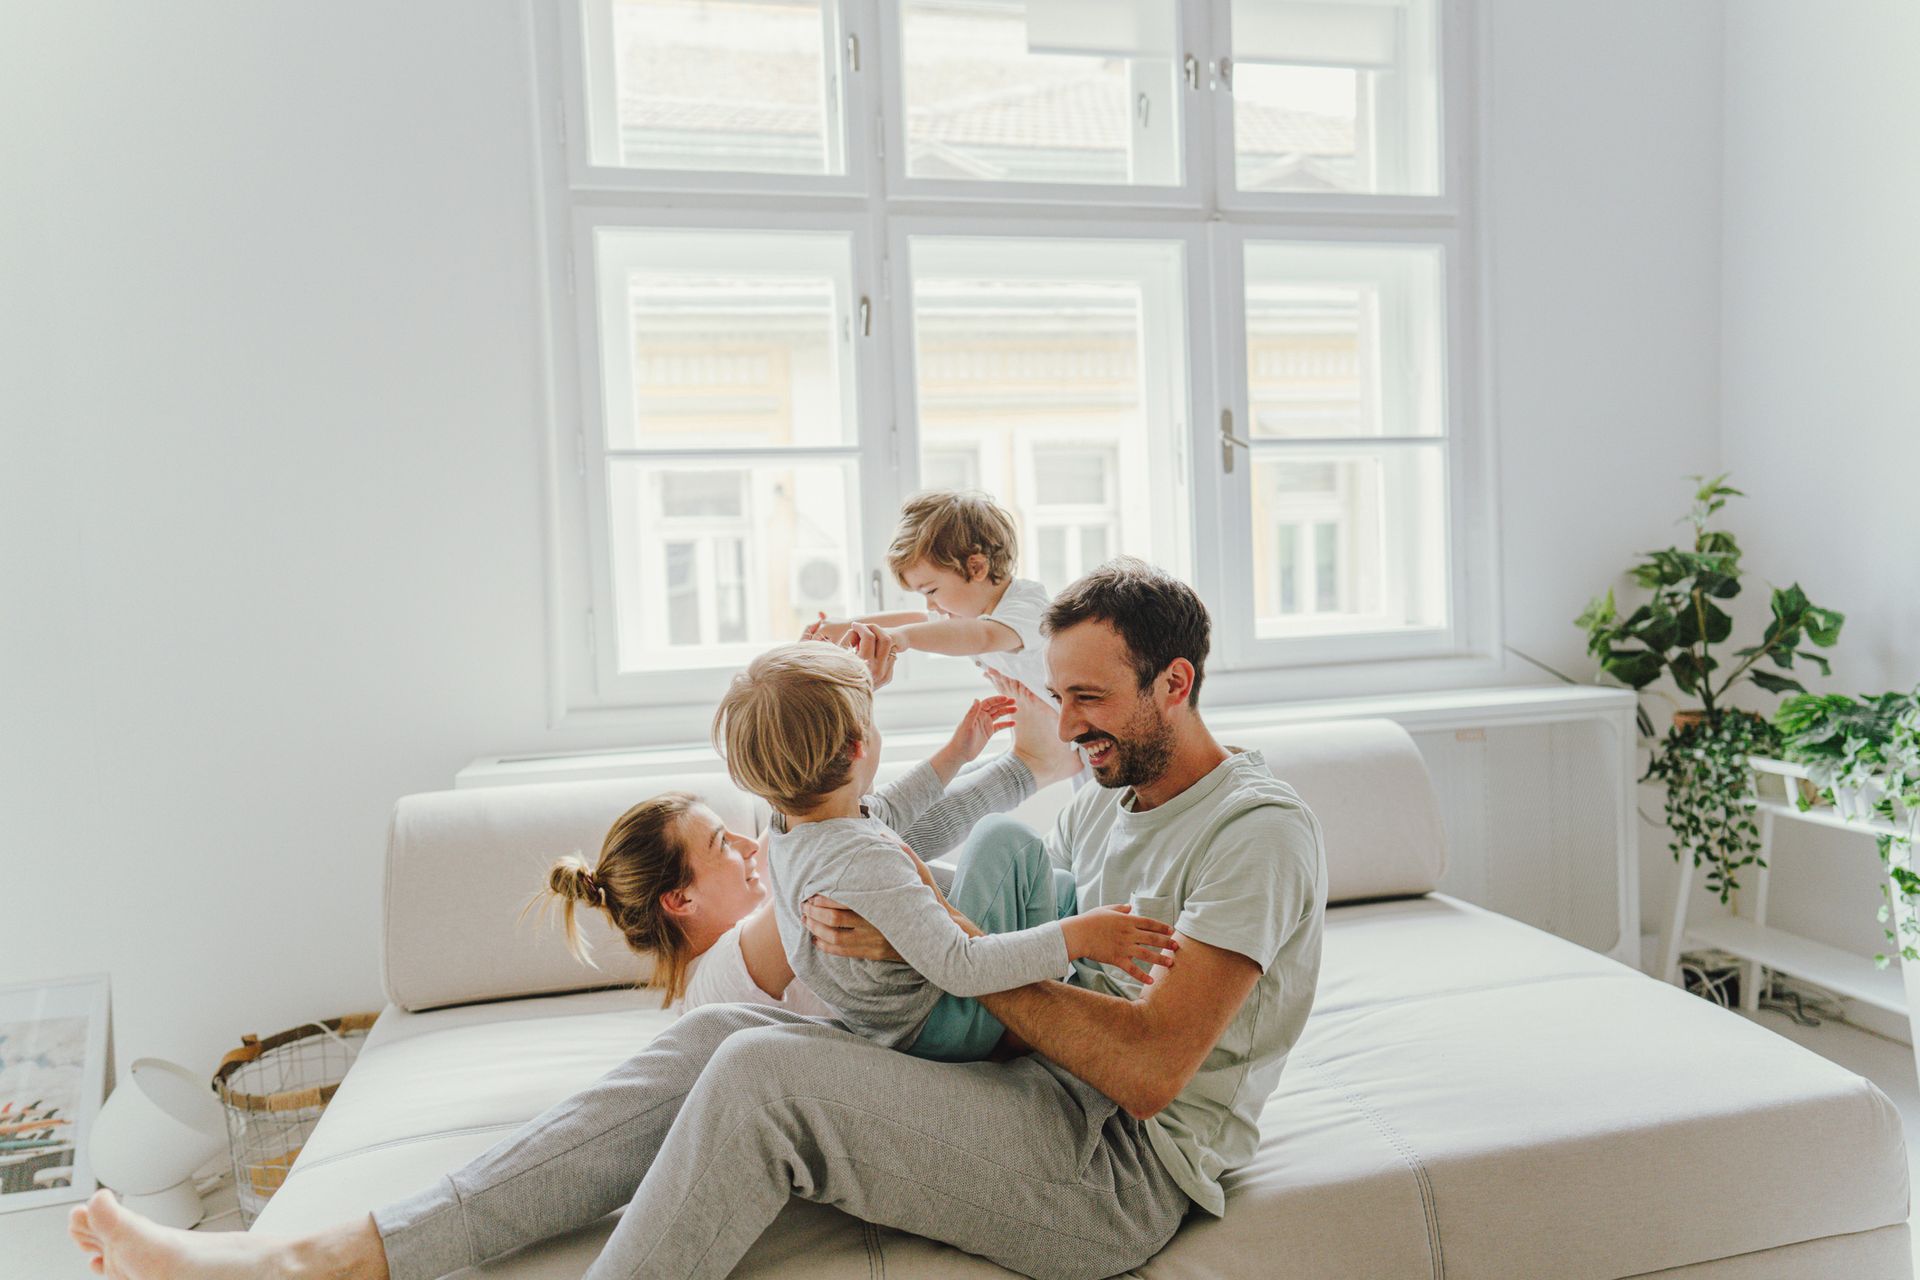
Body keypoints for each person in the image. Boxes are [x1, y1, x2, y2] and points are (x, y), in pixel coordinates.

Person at [68, 559, 1328, 1280]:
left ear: (1178, 683)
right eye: (1060, 695)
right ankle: (324, 1256)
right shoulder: (1110, 780)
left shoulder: (1254, 832)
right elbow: (981, 744)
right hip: (1024, 1079)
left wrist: (929, 939)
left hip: (1112, 1169)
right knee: (705, 1047)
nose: (1071, 722)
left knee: (765, 1073)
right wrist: (892, 653)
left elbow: (1155, 1070)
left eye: (1091, 699)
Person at [712, 642, 1178, 1063]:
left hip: (893, 1024)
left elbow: (886, 808)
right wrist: (1081, 936)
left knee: (1054, 885)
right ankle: (1055, 989)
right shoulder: (863, 861)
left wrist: (957, 753)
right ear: (858, 747)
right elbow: (961, 966)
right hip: (942, 1024)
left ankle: (1071, 934)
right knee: (1003, 841)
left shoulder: (795, 831)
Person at [541, 681, 1086, 1019]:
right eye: (720, 845)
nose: (749, 844)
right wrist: (824, 712)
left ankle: (1033, 769)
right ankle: (1032, 770)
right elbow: (841, 828)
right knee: (964, 846)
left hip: (960, 971)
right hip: (958, 1010)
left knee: (904, 843)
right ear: (679, 900)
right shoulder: (715, 983)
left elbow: (863, 824)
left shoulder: (776, 900)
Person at [804, 489, 1056, 706]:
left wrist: (905, 637)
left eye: (931, 591)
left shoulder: (1028, 608)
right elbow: (924, 619)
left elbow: (982, 636)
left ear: (977, 568)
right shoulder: (972, 611)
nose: (930, 604)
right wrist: (848, 625)